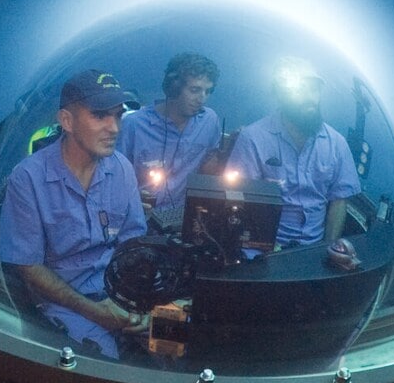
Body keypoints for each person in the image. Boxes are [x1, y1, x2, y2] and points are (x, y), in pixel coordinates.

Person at [0, 69, 149, 357]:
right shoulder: (27, 178)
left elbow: (132, 242)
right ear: (67, 121)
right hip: (65, 303)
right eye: (100, 115)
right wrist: (94, 311)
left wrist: (139, 300)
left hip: (117, 292)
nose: (114, 128)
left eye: (117, 115)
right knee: (104, 365)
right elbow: (27, 266)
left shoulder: (122, 169)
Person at [227, 60, 359, 248]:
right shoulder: (253, 138)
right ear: (281, 94)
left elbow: (339, 200)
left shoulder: (337, 144)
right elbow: (237, 198)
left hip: (313, 251)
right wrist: (261, 248)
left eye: (314, 89)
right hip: (260, 249)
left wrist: (328, 250)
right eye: (301, 89)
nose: (310, 97)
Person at [117, 51, 221, 216]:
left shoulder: (210, 121)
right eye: (195, 90)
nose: (202, 99)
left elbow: (210, 167)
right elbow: (112, 180)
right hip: (139, 219)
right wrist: (132, 198)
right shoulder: (133, 126)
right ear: (173, 88)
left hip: (185, 219)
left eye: (207, 91)